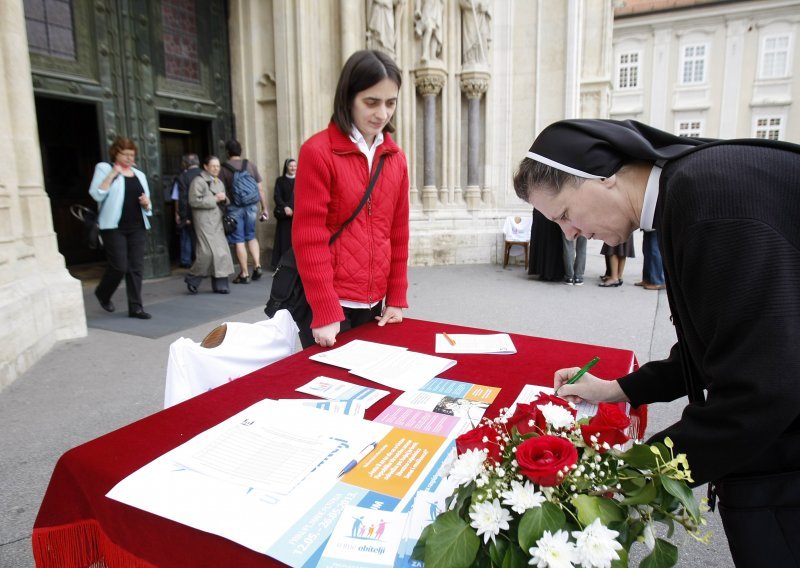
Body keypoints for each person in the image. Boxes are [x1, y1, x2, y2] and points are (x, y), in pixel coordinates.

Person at [513, 118, 800, 566]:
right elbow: (716, 346)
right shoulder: (690, 191)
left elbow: (759, 390)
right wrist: (618, 389)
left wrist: (628, 471)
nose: (568, 234)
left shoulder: (708, 202)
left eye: (565, 215)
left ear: (601, 176)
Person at [293, 49, 410, 349]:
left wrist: (396, 297)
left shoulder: (396, 159)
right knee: (326, 391)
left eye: (390, 103)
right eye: (371, 102)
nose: (382, 113)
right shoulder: (318, 152)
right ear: (348, 98)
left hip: (376, 305)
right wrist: (324, 308)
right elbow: (309, 237)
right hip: (332, 304)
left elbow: (397, 233)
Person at [89, 137, 153, 319]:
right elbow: (96, 194)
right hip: (113, 227)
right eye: (125, 154)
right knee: (119, 266)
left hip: (137, 226)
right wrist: (112, 174)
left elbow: (148, 205)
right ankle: (103, 293)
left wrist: (146, 204)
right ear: (116, 154)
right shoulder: (104, 168)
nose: (129, 158)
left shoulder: (139, 175)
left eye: (131, 154)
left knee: (136, 267)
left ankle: (136, 307)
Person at [219, 139, 268, 283]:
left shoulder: (223, 168)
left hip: (234, 207)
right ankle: (257, 266)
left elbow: (220, 190)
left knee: (239, 239)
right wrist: (264, 208)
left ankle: (244, 273)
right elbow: (260, 189)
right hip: (252, 206)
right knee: (251, 236)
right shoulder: (250, 165)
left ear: (227, 152)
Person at [184, 156, 234, 294]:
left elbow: (224, 200)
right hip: (203, 221)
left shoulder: (219, 182)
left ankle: (221, 284)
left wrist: (225, 199)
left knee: (221, 252)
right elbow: (193, 201)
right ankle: (193, 278)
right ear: (205, 166)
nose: (216, 169)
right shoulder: (198, 181)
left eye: (218, 166)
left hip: (217, 221)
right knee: (206, 253)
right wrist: (214, 198)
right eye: (213, 166)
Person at [172, 154, 203, 268]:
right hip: (204, 212)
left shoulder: (182, 177)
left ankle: (186, 261)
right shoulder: (205, 174)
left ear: (185, 164)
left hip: (189, 212)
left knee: (186, 236)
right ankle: (202, 259)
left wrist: (180, 214)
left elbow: (179, 198)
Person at [270, 158, 297, 270]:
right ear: (286, 167)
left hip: (295, 214)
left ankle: (294, 263)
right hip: (284, 215)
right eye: (291, 166)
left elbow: (299, 195)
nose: (293, 168)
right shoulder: (280, 180)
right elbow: (277, 196)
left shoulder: (300, 179)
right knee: (283, 239)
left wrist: (292, 208)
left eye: (295, 166)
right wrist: (285, 207)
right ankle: (280, 263)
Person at [528, 208, 565, 282]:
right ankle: (551, 272)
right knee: (552, 242)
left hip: (543, 212)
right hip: (551, 212)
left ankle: (543, 271)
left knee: (543, 241)